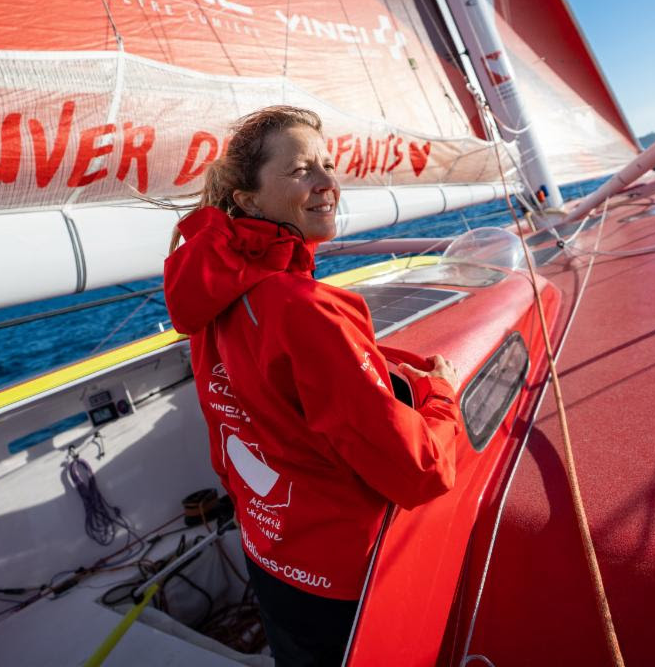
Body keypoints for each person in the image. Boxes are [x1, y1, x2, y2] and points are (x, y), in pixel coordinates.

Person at [163, 106, 462, 666]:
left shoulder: (212, 296)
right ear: (249, 200)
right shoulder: (303, 309)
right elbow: (420, 470)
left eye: (327, 164)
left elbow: (251, 410)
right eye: (303, 170)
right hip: (343, 583)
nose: (329, 183)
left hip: (271, 557)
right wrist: (442, 396)